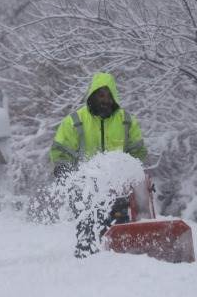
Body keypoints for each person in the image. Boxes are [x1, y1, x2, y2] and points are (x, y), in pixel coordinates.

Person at [49, 72, 148, 257]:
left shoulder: (126, 121)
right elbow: (61, 151)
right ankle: (87, 265)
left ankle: (122, 264)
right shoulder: (75, 121)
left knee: (119, 230)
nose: (105, 100)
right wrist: (63, 169)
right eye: (101, 95)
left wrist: (131, 169)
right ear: (92, 95)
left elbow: (138, 152)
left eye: (109, 95)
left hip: (117, 189)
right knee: (88, 231)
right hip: (85, 191)